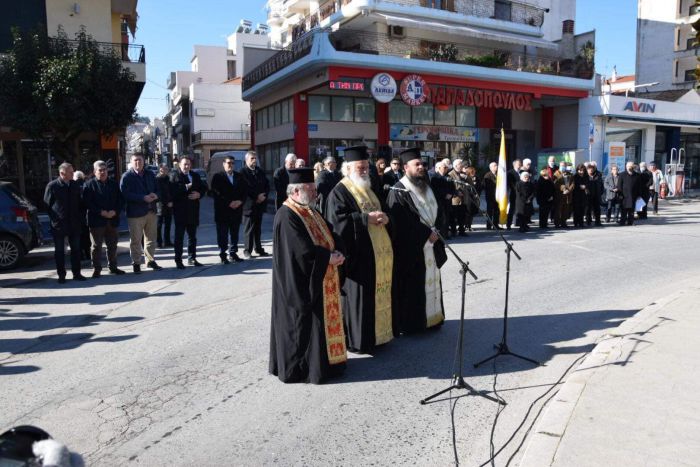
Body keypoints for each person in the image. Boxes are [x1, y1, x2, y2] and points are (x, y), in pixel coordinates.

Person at [269, 168, 348, 384]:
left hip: (323, 275)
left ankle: (330, 363)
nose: (315, 193)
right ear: (296, 191)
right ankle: (305, 368)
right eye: (311, 190)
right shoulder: (286, 215)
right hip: (302, 283)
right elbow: (300, 252)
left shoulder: (309, 210)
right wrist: (327, 258)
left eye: (314, 189)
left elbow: (330, 232)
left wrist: (339, 251)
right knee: (304, 325)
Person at [324, 146, 395, 353]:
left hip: (377, 257)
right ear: (347, 169)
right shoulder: (339, 192)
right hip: (358, 257)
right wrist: (366, 219)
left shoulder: (370, 189)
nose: (364, 170)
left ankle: (380, 335)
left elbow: (383, 210)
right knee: (360, 300)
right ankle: (360, 340)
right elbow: (337, 224)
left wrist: (386, 218)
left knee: (377, 296)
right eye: (359, 167)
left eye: (365, 167)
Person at [386, 147, 447, 334]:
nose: (421, 167)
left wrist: (437, 231)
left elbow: (440, 211)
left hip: (432, 243)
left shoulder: (427, 187)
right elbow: (400, 224)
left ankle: (433, 319)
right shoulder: (398, 190)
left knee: (433, 282)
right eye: (417, 164)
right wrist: (425, 235)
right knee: (414, 287)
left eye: (422, 164)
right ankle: (415, 324)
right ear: (405, 167)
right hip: (413, 250)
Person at [82, 160, 125, 277]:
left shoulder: (113, 184)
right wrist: (101, 212)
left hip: (112, 219)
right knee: (96, 246)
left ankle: (113, 267)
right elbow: (87, 203)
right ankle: (96, 269)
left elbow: (120, 200)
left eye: (104, 170)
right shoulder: (89, 185)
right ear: (94, 172)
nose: (103, 172)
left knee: (112, 245)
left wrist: (115, 211)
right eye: (100, 170)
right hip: (97, 221)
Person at [44, 162, 86, 283]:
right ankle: (61, 275)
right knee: (60, 251)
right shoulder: (52, 186)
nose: (73, 174)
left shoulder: (75, 185)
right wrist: (55, 219)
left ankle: (77, 273)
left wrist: (80, 217)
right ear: (62, 173)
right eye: (71, 172)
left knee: (76, 250)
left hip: (74, 223)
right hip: (59, 225)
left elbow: (81, 203)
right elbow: (47, 205)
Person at [120, 154, 162, 273]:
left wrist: (156, 195)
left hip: (151, 211)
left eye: (140, 160)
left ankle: (150, 260)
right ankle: (136, 262)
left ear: (144, 161)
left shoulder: (150, 174)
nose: (138, 162)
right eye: (135, 160)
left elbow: (158, 189)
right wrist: (142, 198)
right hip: (135, 213)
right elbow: (125, 194)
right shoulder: (127, 176)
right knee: (136, 240)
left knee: (151, 238)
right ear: (131, 162)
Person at [169, 156, 207, 268]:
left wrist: (199, 195)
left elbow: (204, 187)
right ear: (179, 165)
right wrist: (186, 187)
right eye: (185, 164)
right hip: (180, 212)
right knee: (179, 238)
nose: (187, 166)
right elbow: (172, 191)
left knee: (192, 237)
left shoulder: (194, 175)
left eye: (189, 164)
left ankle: (192, 258)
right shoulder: (174, 175)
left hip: (193, 211)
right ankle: (178, 260)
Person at [209, 156, 248, 264]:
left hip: (236, 210)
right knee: (223, 234)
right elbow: (216, 193)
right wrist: (229, 203)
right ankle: (223, 254)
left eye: (232, 163)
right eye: (228, 163)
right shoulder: (218, 177)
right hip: (223, 211)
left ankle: (233, 253)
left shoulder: (239, 176)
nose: (230, 165)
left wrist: (240, 201)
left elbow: (245, 191)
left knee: (234, 233)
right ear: (223, 164)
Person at [240, 150, 270, 258]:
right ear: (246, 160)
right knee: (249, 229)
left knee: (258, 228)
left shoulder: (260, 171)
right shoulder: (243, 172)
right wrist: (256, 197)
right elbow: (246, 188)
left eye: (255, 158)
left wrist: (264, 195)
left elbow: (267, 184)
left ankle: (258, 248)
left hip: (259, 205)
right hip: (249, 205)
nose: (254, 161)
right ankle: (247, 250)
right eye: (252, 159)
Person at [430, 160, 453, 238]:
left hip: (448, 201)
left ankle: (445, 234)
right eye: (444, 167)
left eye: (446, 167)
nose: (446, 169)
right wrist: (444, 194)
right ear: (439, 168)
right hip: (439, 201)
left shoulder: (449, 177)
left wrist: (451, 194)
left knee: (447, 217)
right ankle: (440, 234)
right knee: (441, 218)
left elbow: (453, 187)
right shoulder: (434, 177)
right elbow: (434, 189)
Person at [72, 170, 91, 260]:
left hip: (76, 215)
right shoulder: (86, 185)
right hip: (86, 215)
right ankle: (88, 254)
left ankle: (80, 255)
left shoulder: (72, 186)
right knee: (86, 236)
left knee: (78, 236)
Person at [619, 161, 642, 226]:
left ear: (633, 167)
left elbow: (639, 186)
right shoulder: (622, 174)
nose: (629, 168)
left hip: (633, 195)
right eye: (628, 166)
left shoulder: (637, 175)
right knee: (624, 210)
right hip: (624, 195)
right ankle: (622, 221)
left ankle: (630, 221)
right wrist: (620, 194)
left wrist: (639, 195)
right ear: (626, 167)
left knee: (631, 210)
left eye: (631, 166)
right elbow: (619, 185)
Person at [447, 159, 467, 236]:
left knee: (462, 215)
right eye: (460, 164)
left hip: (462, 198)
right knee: (454, 216)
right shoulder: (451, 174)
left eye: (461, 164)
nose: (461, 166)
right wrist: (456, 192)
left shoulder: (461, 174)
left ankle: (462, 230)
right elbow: (451, 186)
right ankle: (453, 231)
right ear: (455, 166)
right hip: (455, 199)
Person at [155, 164, 173, 248]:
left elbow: (171, 191)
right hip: (160, 205)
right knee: (159, 225)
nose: (165, 171)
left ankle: (167, 241)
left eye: (166, 169)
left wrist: (171, 201)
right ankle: (159, 242)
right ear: (160, 169)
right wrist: (167, 202)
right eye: (163, 169)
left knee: (168, 224)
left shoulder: (169, 179)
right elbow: (159, 193)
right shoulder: (157, 179)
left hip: (169, 205)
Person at [553, 163, 574, 228]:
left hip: (567, 195)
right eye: (562, 166)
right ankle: (557, 223)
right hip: (559, 195)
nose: (563, 167)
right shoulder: (556, 174)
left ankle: (563, 222)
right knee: (558, 210)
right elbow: (555, 183)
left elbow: (573, 183)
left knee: (565, 210)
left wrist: (569, 190)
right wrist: (563, 188)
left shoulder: (570, 174)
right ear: (559, 166)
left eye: (564, 166)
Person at [463, 166, 480, 231]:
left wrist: (477, 193)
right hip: (468, 198)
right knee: (468, 212)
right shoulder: (467, 178)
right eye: (472, 172)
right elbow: (466, 188)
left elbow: (480, 187)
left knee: (472, 212)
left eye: (474, 172)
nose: (473, 173)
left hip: (475, 198)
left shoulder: (477, 178)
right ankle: (466, 225)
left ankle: (469, 225)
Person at [483, 162, 499, 229]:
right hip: (490, 196)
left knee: (497, 211)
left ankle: (496, 225)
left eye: (496, 165)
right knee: (489, 211)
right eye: (494, 166)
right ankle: (489, 225)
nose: (496, 166)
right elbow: (486, 186)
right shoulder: (487, 175)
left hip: (497, 196)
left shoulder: (499, 174)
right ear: (491, 168)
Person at [506, 159, 522, 229]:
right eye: (518, 164)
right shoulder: (510, 173)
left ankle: (519, 222)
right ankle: (508, 224)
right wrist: (517, 190)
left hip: (521, 194)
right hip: (514, 193)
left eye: (520, 163)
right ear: (514, 164)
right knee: (512, 209)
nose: (520, 165)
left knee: (520, 209)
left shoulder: (522, 172)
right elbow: (510, 184)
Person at [572, 163, 588, 228]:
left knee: (582, 209)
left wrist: (585, 186)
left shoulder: (586, 176)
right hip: (576, 195)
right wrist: (579, 186)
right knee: (576, 210)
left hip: (583, 195)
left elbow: (588, 184)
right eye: (579, 170)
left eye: (582, 170)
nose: (581, 172)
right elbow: (573, 185)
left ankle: (581, 222)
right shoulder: (575, 176)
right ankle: (576, 222)